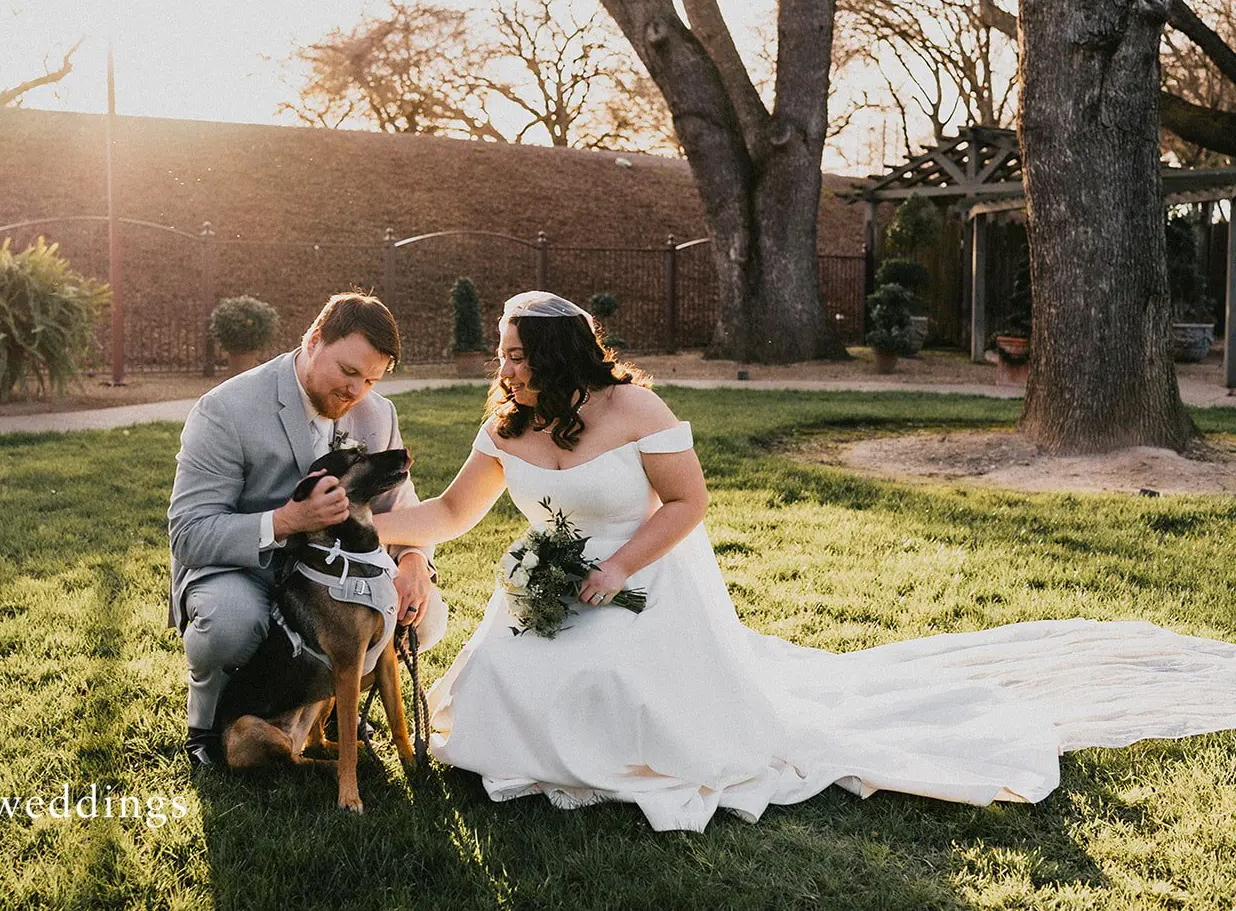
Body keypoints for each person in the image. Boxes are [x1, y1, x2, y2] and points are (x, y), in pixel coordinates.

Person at [373, 290, 1236, 833]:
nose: (503, 366)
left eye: (516, 353)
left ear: (556, 356)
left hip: (645, 577)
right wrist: (359, 533)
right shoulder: (505, 426)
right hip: (552, 577)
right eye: (501, 353)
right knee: (496, 681)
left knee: (605, 679)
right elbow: (450, 514)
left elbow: (688, 504)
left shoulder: (635, 408)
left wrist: (617, 570)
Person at [168, 292, 447, 768]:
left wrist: (416, 559)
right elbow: (190, 533)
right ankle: (207, 726)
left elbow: (401, 504)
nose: (358, 390)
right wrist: (286, 522)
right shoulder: (226, 408)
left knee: (429, 613)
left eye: (372, 379)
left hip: (333, 580)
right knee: (232, 621)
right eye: (349, 372)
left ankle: (330, 709)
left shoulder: (377, 413)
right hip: (246, 570)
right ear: (314, 340)